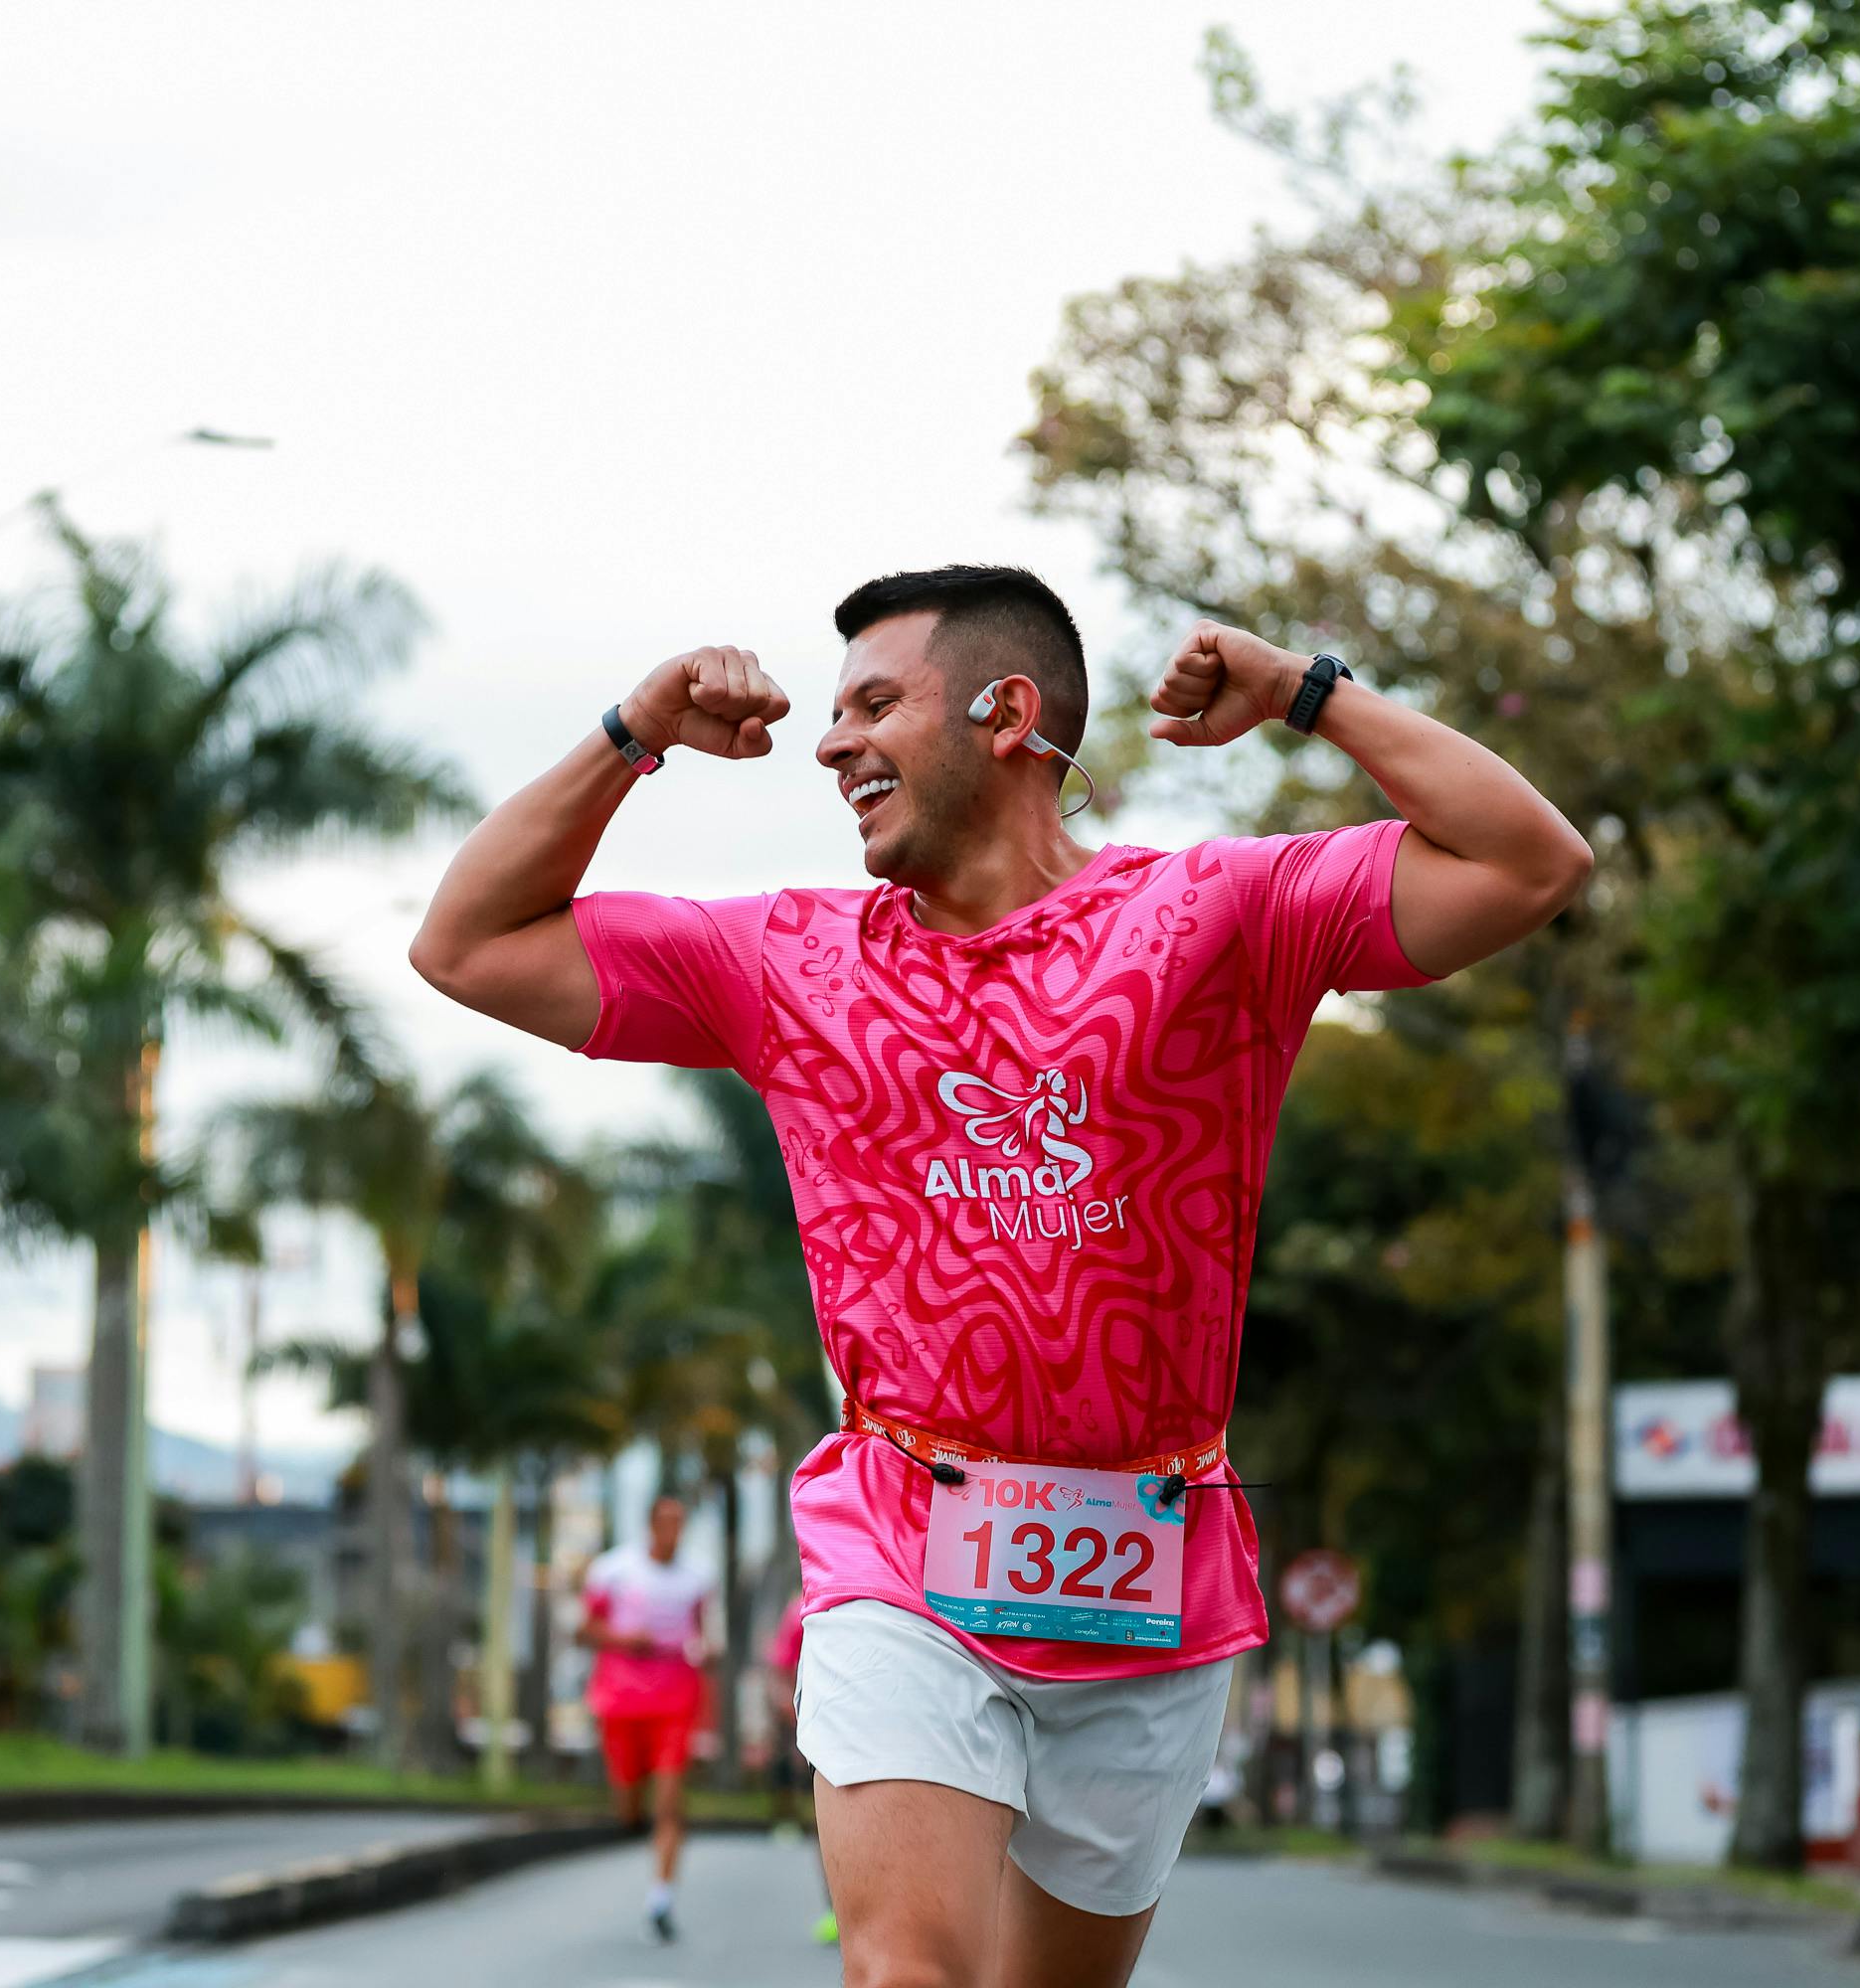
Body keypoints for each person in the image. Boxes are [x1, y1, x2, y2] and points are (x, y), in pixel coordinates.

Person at [413, 568, 1589, 1988]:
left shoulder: (1217, 916)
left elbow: (1532, 864)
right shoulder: (787, 961)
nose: (833, 742)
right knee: (910, 1974)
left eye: (875, 704)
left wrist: (1302, 694)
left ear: (1008, 714)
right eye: (833, 712)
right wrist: (631, 733)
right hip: (903, 1535)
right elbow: (465, 942)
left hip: (1150, 1564)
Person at [578, 1491, 711, 1944]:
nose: (674, 1530)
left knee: (671, 1800)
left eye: (681, 1521)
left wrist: (705, 1651)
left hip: (676, 1696)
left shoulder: (697, 1577)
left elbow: (700, 1632)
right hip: (621, 1697)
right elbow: (584, 1629)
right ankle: (633, 1818)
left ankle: (661, 1898)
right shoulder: (613, 1571)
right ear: (651, 1525)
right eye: (667, 1521)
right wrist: (622, 1638)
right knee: (628, 1802)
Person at [760, 1589, 837, 1946]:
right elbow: (778, 1670)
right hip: (820, 1729)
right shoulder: (801, 1607)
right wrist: (796, 1718)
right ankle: (836, 1908)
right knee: (829, 1820)